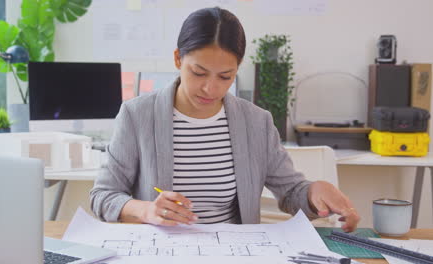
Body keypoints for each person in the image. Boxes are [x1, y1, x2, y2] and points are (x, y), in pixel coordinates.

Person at [90, 7, 360, 232]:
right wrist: (147, 210)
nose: (211, 89)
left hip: (234, 253)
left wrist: (314, 192)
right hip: (160, 252)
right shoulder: (137, 115)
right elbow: (103, 196)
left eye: (225, 77)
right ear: (177, 59)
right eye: (198, 72)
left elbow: (291, 192)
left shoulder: (256, 122)